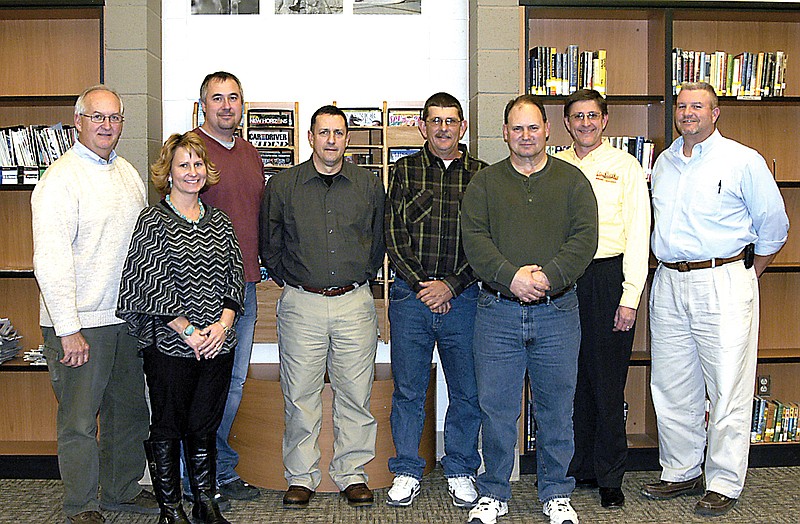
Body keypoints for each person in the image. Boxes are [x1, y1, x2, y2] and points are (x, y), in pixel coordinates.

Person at [641, 82, 789, 517]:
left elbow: (774, 225)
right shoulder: (664, 163)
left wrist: (746, 273)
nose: (688, 113)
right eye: (682, 106)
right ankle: (681, 470)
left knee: (728, 384)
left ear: (715, 112)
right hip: (669, 281)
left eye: (698, 106)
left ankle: (723, 480)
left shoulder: (743, 160)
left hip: (724, 278)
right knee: (671, 383)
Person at [461, 94, 598, 524]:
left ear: (547, 131)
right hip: (497, 312)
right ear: (505, 133)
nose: (525, 136)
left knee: (557, 407)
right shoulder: (484, 184)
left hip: (558, 313)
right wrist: (512, 277)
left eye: (533, 127)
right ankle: (495, 491)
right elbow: (476, 242)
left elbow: (584, 240)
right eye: (517, 128)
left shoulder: (573, 182)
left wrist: (547, 278)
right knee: (496, 407)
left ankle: (556, 493)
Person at [31, 85, 156, 524]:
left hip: (124, 320)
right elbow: (50, 260)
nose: (107, 126)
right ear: (78, 121)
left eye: (115, 118)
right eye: (98, 117)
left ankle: (121, 490)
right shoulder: (59, 180)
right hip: (80, 324)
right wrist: (68, 328)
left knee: (129, 413)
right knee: (80, 422)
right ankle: (82, 505)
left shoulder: (126, 173)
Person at [259, 105, 385, 509]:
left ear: (346, 139)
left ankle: (352, 473)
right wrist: (291, 279)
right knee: (300, 395)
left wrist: (358, 278)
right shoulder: (283, 185)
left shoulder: (368, 185)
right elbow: (270, 243)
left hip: (354, 302)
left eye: (338, 133)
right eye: (323, 132)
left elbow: (378, 240)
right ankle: (301, 476)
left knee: (355, 393)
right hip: (301, 303)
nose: (331, 140)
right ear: (310, 137)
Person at [117, 132, 245, 524]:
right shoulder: (153, 220)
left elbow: (234, 278)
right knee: (169, 424)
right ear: (168, 172)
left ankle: (205, 503)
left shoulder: (220, 222)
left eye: (197, 164)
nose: (192, 172)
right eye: (183, 164)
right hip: (170, 345)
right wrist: (188, 330)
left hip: (217, 344)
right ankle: (171, 510)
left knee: (205, 424)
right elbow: (143, 281)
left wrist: (222, 326)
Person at [384, 92, 487, 508]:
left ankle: (460, 467)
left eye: (451, 120)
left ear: (462, 127)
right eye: (435, 120)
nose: (443, 128)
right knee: (408, 389)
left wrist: (452, 285)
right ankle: (407, 469)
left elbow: (485, 243)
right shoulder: (404, 171)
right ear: (423, 126)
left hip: (464, 301)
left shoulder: (482, 175)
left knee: (467, 390)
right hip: (411, 299)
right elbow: (393, 234)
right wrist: (424, 284)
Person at [555, 89, 651, 509]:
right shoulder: (554, 165)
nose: (585, 123)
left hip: (608, 278)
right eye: (577, 116)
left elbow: (638, 236)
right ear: (567, 123)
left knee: (607, 381)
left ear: (606, 120)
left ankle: (611, 475)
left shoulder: (625, 167)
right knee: (570, 381)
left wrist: (629, 298)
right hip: (564, 278)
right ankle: (581, 468)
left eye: (593, 115)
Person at [192, 71, 263, 503]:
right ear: (203, 104)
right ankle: (194, 472)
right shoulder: (191, 150)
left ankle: (216, 467)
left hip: (246, 288)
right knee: (202, 385)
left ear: (242, 104)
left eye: (233, 97)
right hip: (202, 290)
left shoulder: (251, 153)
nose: (226, 105)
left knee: (232, 383)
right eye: (216, 98)